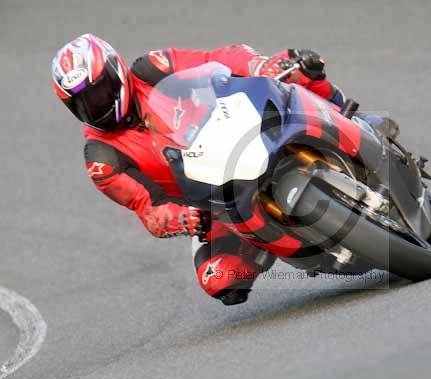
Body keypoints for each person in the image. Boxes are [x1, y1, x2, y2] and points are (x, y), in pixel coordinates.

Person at [51, 34, 347, 305]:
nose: (96, 105)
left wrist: (260, 66)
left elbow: (217, 59)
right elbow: (149, 208)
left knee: (296, 67)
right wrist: (182, 219)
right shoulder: (102, 157)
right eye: (83, 103)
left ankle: (343, 114)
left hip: (238, 130)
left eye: (99, 92)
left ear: (115, 71)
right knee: (219, 280)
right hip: (214, 199)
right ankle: (283, 247)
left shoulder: (152, 68)